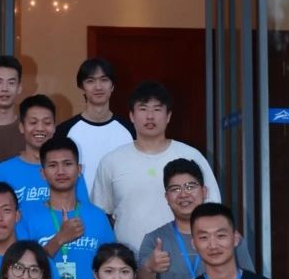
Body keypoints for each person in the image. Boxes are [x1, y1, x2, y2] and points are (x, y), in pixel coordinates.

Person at [90, 82, 220, 253]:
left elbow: (213, 209)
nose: (150, 116)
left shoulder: (191, 156)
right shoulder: (112, 161)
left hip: (186, 258)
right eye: (143, 109)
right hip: (129, 261)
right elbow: (101, 215)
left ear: (168, 116)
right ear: (131, 115)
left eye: (157, 109)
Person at [137, 158, 255, 279]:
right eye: (175, 189)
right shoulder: (155, 239)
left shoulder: (228, 237)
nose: (183, 194)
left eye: (190, 186)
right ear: (167, 197)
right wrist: (149, 266)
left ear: (204, 191)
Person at [19, 136, 116, 279]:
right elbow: (21, 269)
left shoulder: (97, 216)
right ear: (42, 173)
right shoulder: (27, 217)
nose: (61, 171)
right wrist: (59, 240)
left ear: (79, 169)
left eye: (67, 164)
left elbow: (112, 265)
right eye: (53, 165)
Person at [53, 58, 134, 198]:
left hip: (122, 208)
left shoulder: (131, 130)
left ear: (112, 86)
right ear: (82, 86)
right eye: (90, 81)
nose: (98, 87)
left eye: (104, 80)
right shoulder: (64, 131)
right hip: (78, 208)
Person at [0, 95, 58, 206]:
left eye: (47, 123)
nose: (40, 128)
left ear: (54, 127)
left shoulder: (67, 172)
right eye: (33, 122)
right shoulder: (0, 173)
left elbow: (82, 210)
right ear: (21, 127)